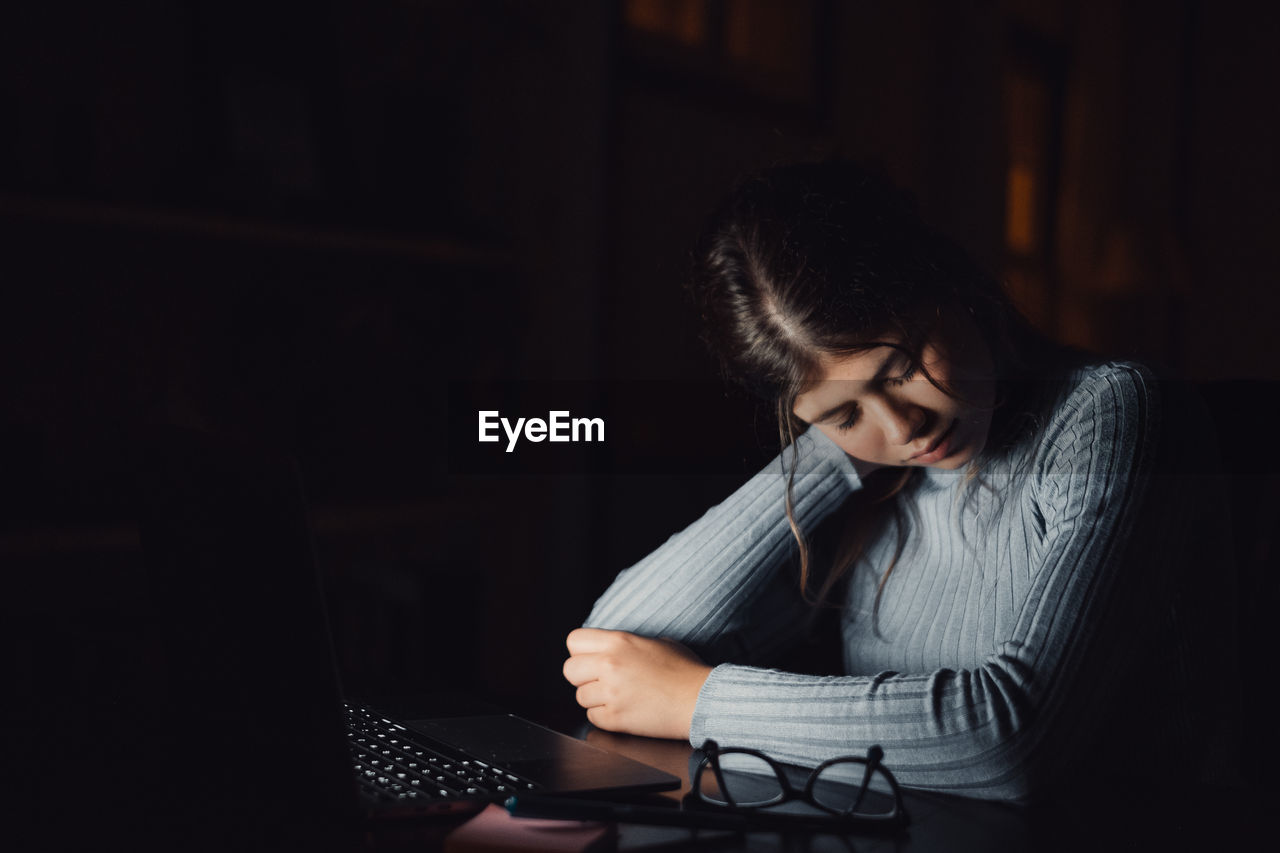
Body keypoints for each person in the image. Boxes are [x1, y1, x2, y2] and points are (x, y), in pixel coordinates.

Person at [561, 161, 1238, 802]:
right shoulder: (879, 472)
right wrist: (833, 454)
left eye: (902, 367)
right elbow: (613, 647)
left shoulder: (1115, 410)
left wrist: (694, 700)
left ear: (946, 283)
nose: (905, 425)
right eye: (844, 411)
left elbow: (1012, 738)